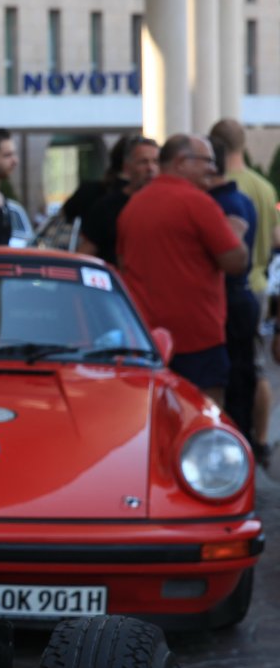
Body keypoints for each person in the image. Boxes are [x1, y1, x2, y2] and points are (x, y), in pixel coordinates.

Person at [117, 135, 248, 405]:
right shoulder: (198, 203)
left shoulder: (133, 206)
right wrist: (236, 234)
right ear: (181, 162)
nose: (213, 168)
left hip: (147, 339)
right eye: (207, 161)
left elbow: (122, 263)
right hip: (197, 339)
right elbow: (236, 263)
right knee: (203, 415)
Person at [210, 118, 278, 464]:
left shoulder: (223, 190)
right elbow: (276, 238)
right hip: (260, 284)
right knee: (257, 367)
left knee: (233, 369)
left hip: (232, 288)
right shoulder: (263, 187)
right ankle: (261, 439)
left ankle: (235, 439)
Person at [209, 140, 260, 445]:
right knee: (242, 376)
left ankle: (238, 443)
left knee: (235, 380)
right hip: (242, 295)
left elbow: (232, 259)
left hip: (231, 298)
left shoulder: (221, 205)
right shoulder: (242, 198)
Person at [76, 135, 159, 264]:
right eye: (143, 162)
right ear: (127, 168)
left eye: (156, 161)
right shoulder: (106, 207)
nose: (150, 168)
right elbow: (85, 254)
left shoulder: (169, 205)